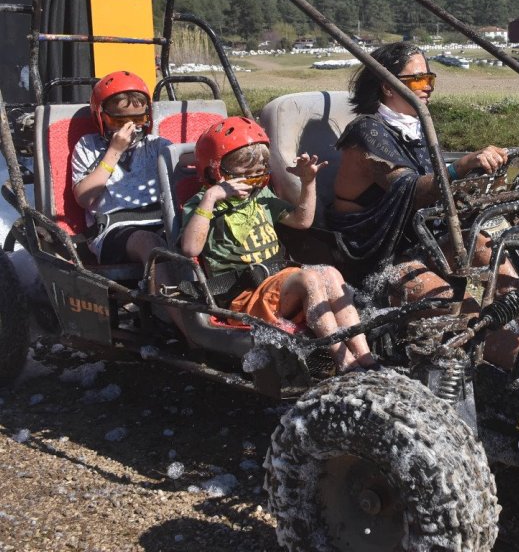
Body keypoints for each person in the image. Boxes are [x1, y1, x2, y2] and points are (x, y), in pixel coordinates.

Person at [327, 41, 519, 373]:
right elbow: (412, 190)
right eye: (417, 80)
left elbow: (437, 182)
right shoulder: (366, 133)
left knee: (486, 249)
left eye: (430, 79)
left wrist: (478, 178)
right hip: (379, 261)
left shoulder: (413, 127)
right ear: (387, 85)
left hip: (420, 240)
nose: (427, 88)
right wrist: (460, 167)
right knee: (459, 310)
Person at [180, 116, 375, 373]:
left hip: (275, 281)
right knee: (309, 280)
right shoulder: (202, 203)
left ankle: (365, 355)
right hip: (242, 294)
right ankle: (344, 362)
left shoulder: (261, 198)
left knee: (330, 273)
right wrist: (210, 199)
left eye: (258, 177)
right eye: (244, 177)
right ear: (214, 171)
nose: (251, 185)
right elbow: (190, 249)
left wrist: (308, 182)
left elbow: (302, 221)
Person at [72, 71, 170, 266]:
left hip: (160, 221)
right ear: (101, 117)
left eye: (138, 120)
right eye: (119, 122)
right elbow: (84, 198)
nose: (131, 128)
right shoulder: (88, 146)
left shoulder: (157, 146)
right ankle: (168, 295)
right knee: (151, 245)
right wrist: (114, 151)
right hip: (113, 228)